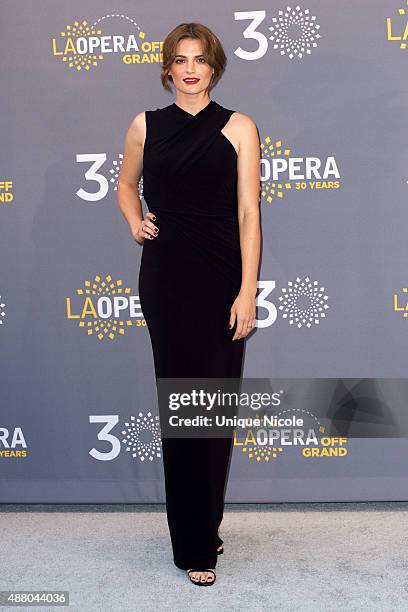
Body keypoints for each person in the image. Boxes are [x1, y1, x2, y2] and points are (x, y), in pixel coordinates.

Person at [117, 22, 261, 586]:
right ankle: (193, 545)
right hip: (168, 278)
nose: (191, 69)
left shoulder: (240, 127)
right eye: (181, 59)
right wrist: (136, 223)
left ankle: (207, 522)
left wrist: (247, 290)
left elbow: (249, 214)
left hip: (223, 277)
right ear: (168, 68)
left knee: (214, 411)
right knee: (182, 410)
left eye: (200, 59)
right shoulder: (144, 126)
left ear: (214, 65)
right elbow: (126, 184)